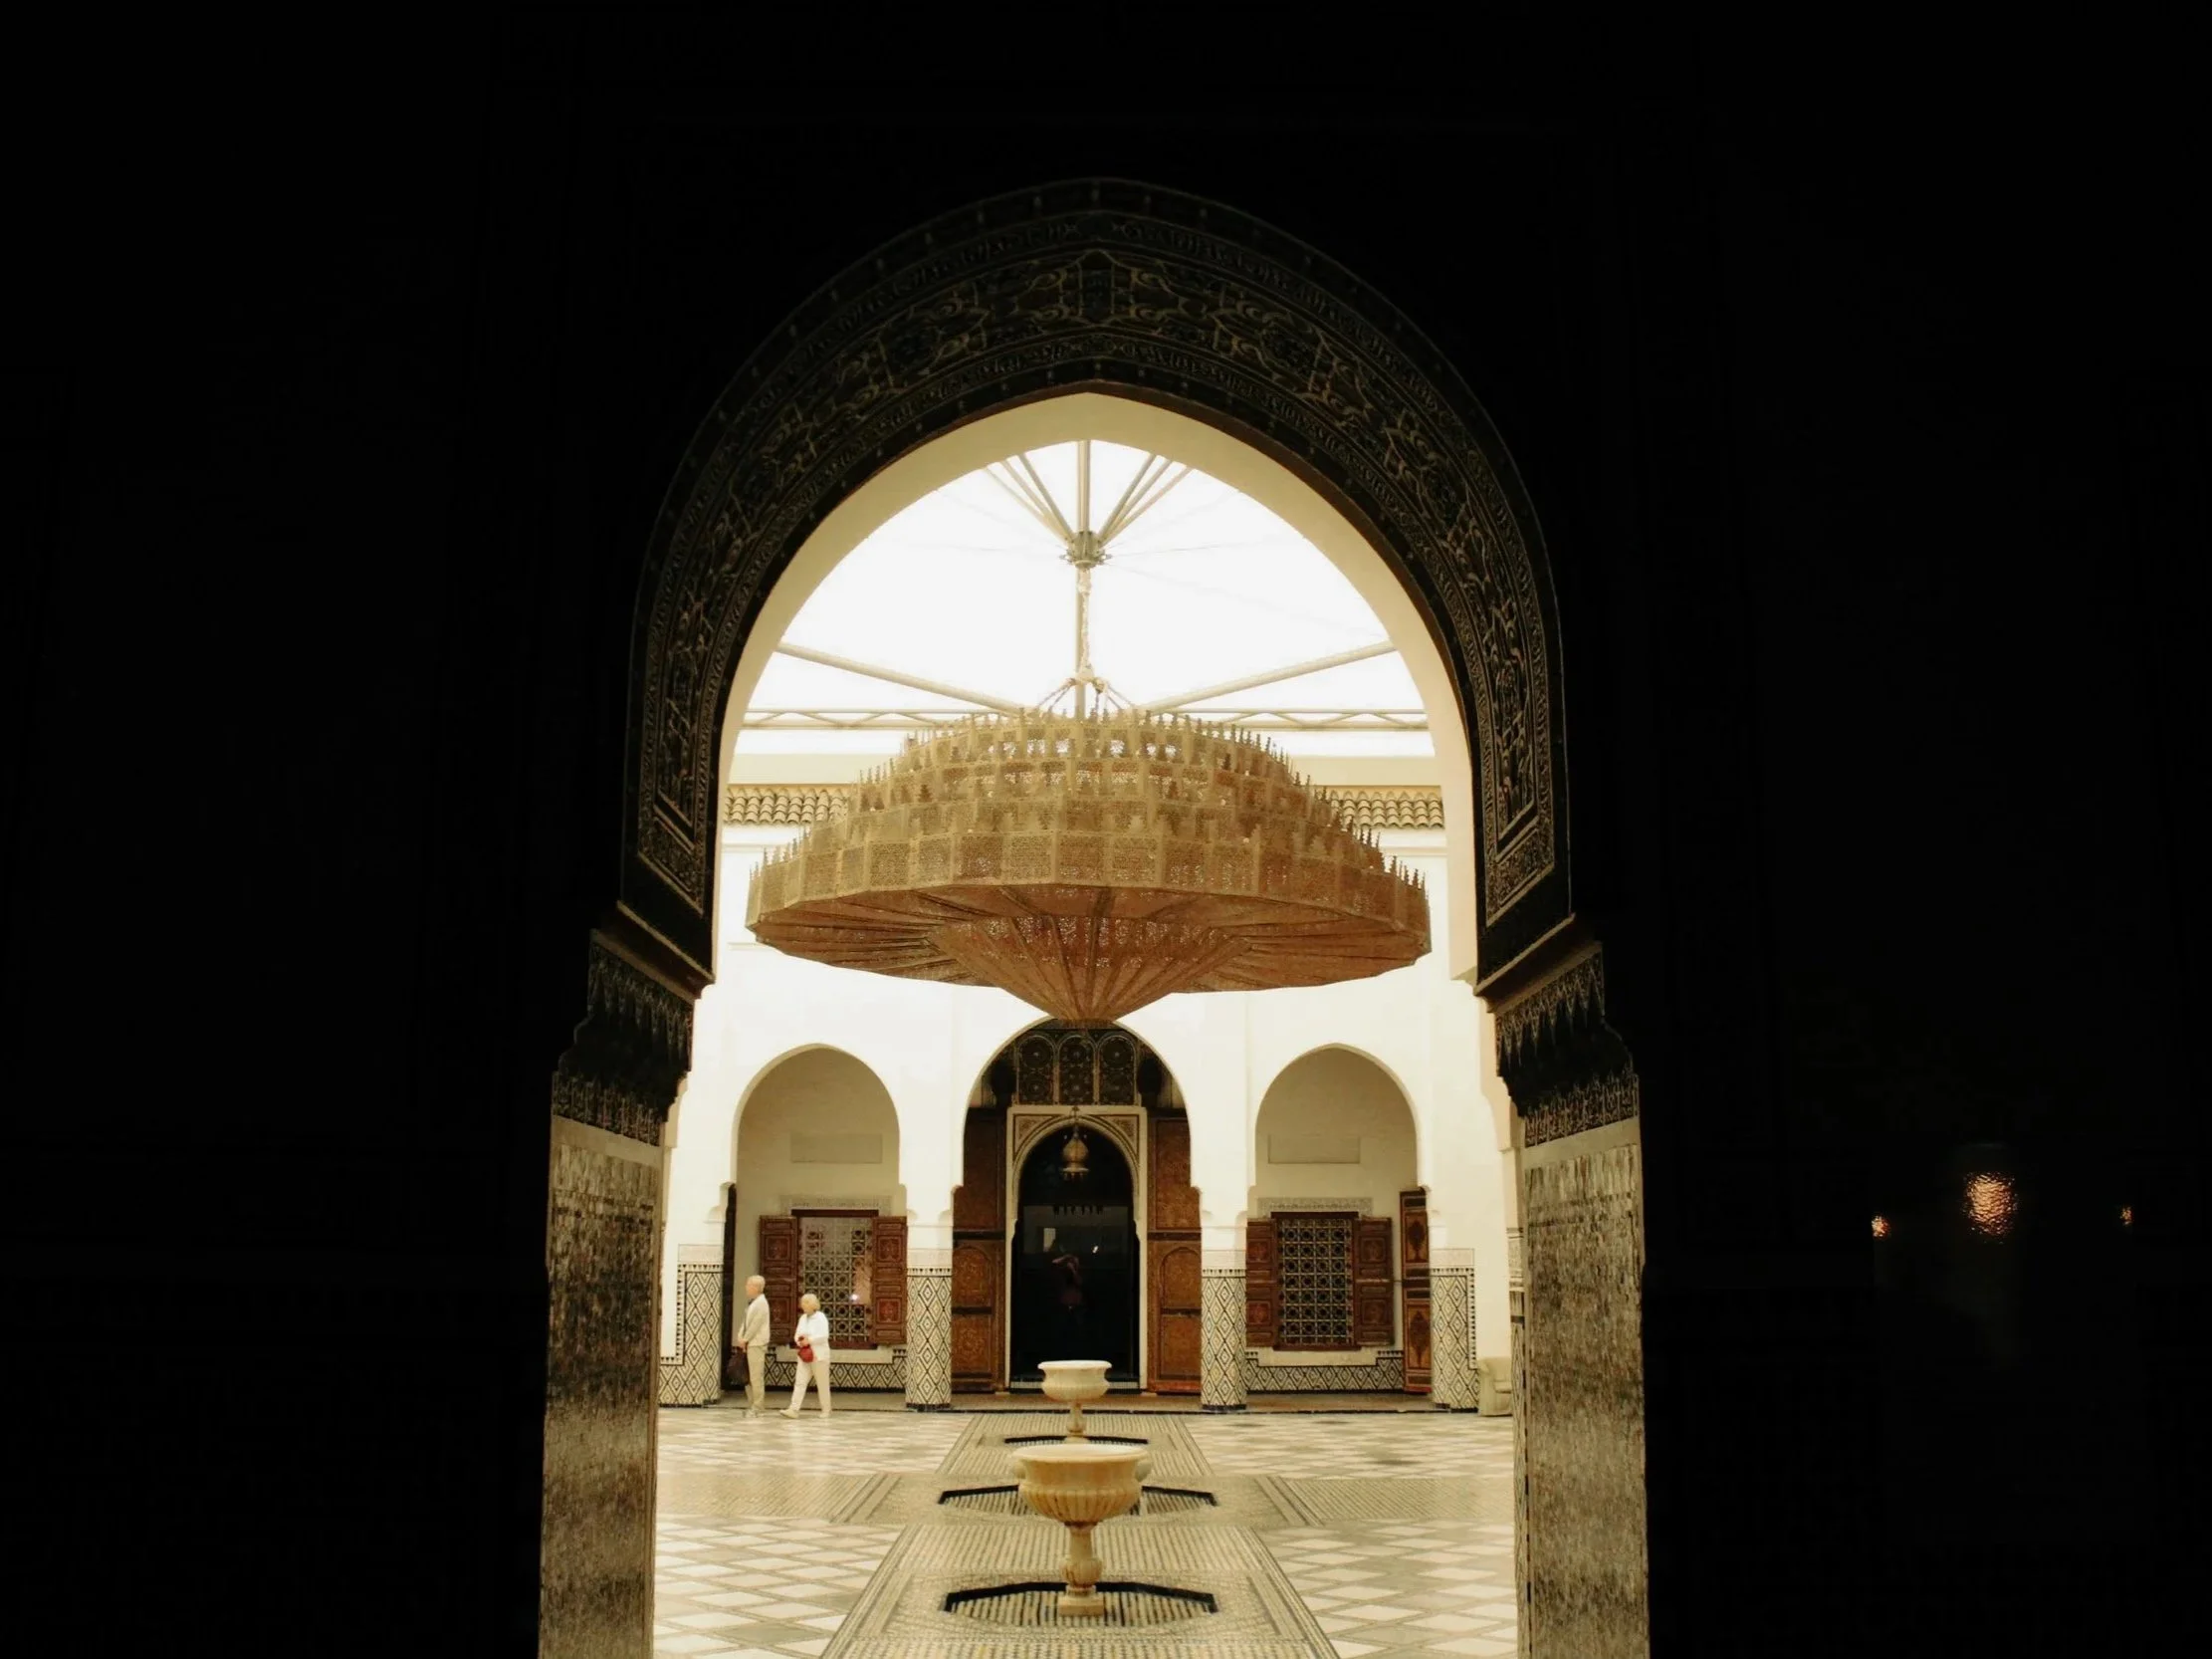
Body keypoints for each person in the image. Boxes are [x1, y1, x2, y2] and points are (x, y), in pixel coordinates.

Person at [781, 1292, 832, 1417]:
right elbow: (797, 1334)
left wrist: (810, 1340)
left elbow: (824, 1335)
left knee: (822, 1383)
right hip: (805, 1355)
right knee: (800, 1382)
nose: (802, 1305)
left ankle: (826, 1410)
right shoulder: (803, 1318)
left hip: (819, 1356)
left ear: (812, 1304)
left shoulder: (821, 1317)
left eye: (805, 1303)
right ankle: (793, 1409)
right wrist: (800, 1340)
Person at [734, 1275, 770, 1416]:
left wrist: (745, 1339)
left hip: (756, 1343)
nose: (746, 1287)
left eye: (748, 1285)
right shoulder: (753, 1302)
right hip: (749, 1343)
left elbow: (755, 1325)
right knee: (748, 1376)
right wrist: (740, 1336)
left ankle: (758, 1406)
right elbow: (746, 1322)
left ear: (755, 1287)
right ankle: (752, 1404)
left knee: (756, 1376)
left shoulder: (761, 1303)